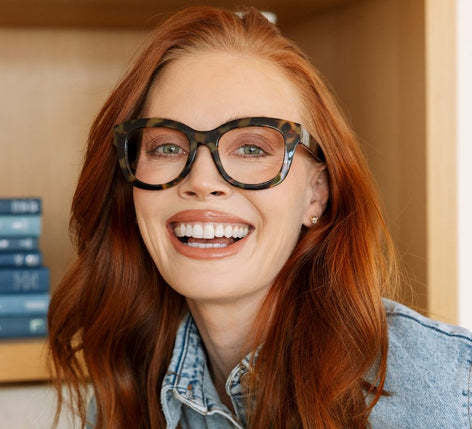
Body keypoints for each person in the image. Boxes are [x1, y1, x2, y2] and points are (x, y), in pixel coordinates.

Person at [48, 6, 472, 429]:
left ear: (317, 193)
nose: (202, 181)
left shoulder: (451, 394)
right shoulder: (123, 392)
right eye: (167, 147)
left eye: (251, 148)